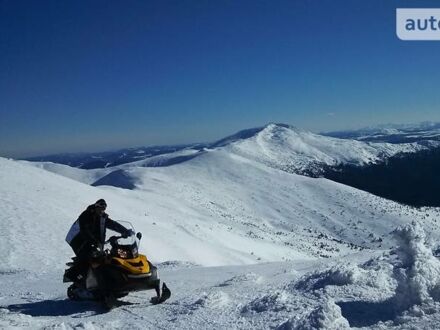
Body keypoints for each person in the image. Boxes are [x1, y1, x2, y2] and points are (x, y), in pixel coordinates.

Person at [65, 199, 132, 278]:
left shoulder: (102, 217)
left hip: (91, 240)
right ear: (96, 206)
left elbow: (113, 224)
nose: (102, 210)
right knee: (87, 256)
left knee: (102, 257)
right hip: (76, 239)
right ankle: (74, 277)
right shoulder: (86, 215)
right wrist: (94, 241)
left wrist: (125, 231)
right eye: (100, 207)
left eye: (104, 208)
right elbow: (84, 230)